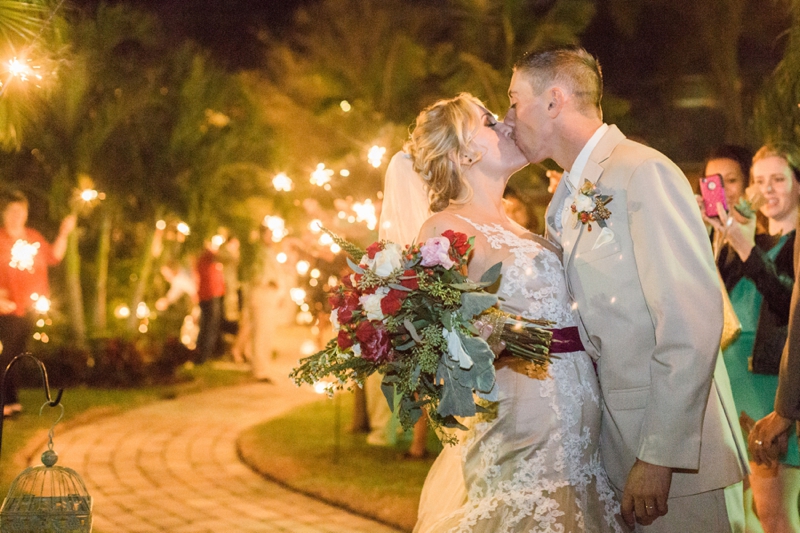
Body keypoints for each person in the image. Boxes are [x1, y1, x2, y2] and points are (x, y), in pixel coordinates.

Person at [505, 46, 748, 531]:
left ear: (554, 100)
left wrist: (659, 455)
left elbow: (691, 322)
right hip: (614, 448)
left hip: (678, 462)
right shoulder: (566, 197)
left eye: (515, 101)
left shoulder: (643, 172)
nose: (509, 118)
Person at [410, 93, 625, 532]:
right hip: (520, 420)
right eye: (488, 121)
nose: (507, 123)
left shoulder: (530, 227)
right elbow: (437, 343)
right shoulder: (445, 228)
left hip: (581, 419)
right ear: (464, 151)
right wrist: (497, 338)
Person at [706, 145, 800, 533]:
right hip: (732, 377)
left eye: (778, 179)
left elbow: (786, 302)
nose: (768, 190)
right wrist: (721, 239)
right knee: (740, 510)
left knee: (772, 509)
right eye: (760, 181)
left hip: (769, 382)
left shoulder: (792, 243)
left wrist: (745, 247)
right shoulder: (750, 241)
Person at [367, 151, 431, 454]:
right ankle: (412, 436)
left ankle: (412, 436)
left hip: (414, 292)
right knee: (416, 372)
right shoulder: (403, 237)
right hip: (410, 294)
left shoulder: (411, 235)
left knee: (417, 372)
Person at [0, 190, 75, 417]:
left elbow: (54, 256)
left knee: (18, 356)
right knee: (7, 356)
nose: (16, 215)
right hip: (7, 308)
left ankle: (12, 401)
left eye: (20, 211)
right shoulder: (1, 239)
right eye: (12, 211)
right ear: (3, 213)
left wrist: (64, 233)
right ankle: (7, 402)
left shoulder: (33, 237)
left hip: (30, 309)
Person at [195, 238, 225, 364]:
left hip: (206, 295)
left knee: (206, 326)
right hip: (211, 295)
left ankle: (201, 354)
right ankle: (204, 356)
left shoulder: (202, 259)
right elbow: (224, 257)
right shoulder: (207, 257)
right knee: (209, 327)